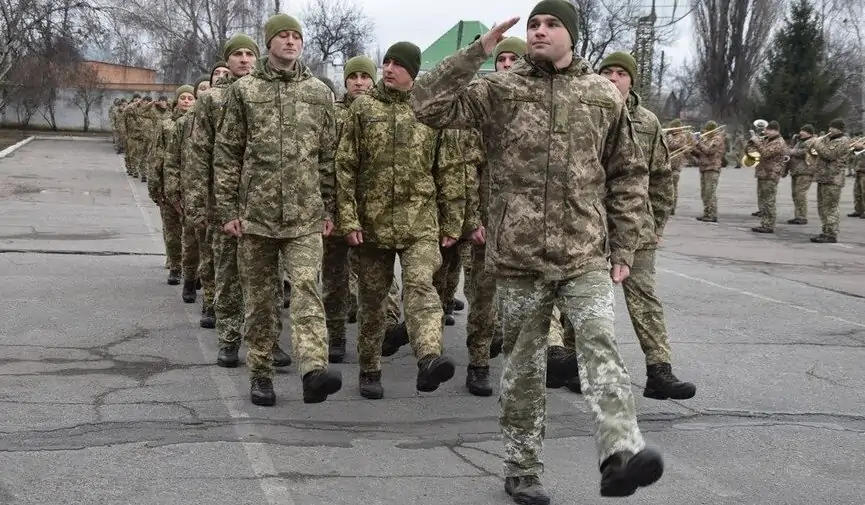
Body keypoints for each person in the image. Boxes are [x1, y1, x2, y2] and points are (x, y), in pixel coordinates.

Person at [410, 2, 664, 502]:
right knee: (524, 369)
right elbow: (426, 106)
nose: (540, 31)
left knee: (600, 344)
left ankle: (620, 454)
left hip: (583, 252)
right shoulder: (500, 89)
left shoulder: (601, 95)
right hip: (519, 257)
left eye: (551, 24)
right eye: (534, 25)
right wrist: (476, 53)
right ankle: (522, 468)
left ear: (572, 35)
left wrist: (623, 244)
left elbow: (628, 174)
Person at [214, 13, 341, 406]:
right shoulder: (245, 91)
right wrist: (228, 210)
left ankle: (313, 370)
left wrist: (329, 208)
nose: (290, 42)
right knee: (261, 301)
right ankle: (261, 374)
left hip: (305, 215)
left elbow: (328, 157)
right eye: (282, 36)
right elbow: (228, 152)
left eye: (295, 36)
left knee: (306, 290)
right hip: (256, 217)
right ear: (268, 43)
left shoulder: (318, 92)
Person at [336, 41, 464, 400]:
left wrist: (452, 221)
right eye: (387, 62)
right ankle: (369, 368)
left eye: (398, 64)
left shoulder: (430, 109)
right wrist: (349, 218)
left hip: (419, 221)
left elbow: (448, 169)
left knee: (421, 286)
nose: (389, 68)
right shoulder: (363, 108)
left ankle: (429, 357)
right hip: (372, 224)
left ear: (413, 72)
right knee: (373, 301)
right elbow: (345, 165)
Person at [598, 51, 695, 400]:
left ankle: (659, 370)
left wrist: (659, 222)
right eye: (607, 72)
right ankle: (574, 365)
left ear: (632, 80)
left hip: (637, 224)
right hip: (591, 223)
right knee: (587, 299)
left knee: (645, 299)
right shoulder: (587, 111)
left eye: (620, 73)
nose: (613, 78)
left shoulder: (648, 122)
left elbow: (661, 175)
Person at [324, 55, 403, 363]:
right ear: (345, 81)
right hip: (336, 204)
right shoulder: (332, 114)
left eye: (365, 76)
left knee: (378, 274)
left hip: (371, 208)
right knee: (335, 275)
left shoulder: (382, 110)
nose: (359, 82)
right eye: (353, 77)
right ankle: (336, 334)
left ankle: (387, 326)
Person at [806, 118, 851, 243]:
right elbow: (815, 150)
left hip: (833, 178)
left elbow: (829, 155)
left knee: (830, 207)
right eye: (830, 127)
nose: (830, 129)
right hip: (823, 177)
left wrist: (817, 143)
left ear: (839, 129)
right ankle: (825, 230)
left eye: (833, 128)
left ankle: (831, 233)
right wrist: (814, 143)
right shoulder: (828, 139)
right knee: (822, 207)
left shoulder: (843, 141)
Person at [748, 120, 788, 233]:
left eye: (769, 130)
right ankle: (765, 223)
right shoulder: (768, 140)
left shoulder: (779, 142)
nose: (766, 132)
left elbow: (766, 153)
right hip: (763, 173)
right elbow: (758, 151)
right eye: (766, 130)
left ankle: (769, 225)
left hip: (771, 174)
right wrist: (753, 143)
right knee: (764, 200)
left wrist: (757, 141)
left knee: (769, 201)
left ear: (776, 131)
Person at [694, 120, 725, 222]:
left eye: (707, 130)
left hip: (712, 168)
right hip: (704, 167)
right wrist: (692, 149)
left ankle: (712, 214)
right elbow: (701, 154)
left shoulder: (717, 138)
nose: (705, 132)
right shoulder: (707, 139)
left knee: (710, 192)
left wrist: (699, 143)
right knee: (704, 193)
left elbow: (709, 151)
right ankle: (707, 213)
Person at [785, 125, 815, 225]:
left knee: (800, 194)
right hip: (797, 171)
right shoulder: (800, 141)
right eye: (801, 130)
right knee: (795, 194)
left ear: (809, 133)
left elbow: (806, 152)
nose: (801, 132)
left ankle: (802, 216)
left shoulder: (812, 141)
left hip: (805, 171)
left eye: (804, 131)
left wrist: (792, 151)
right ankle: (798, 215)